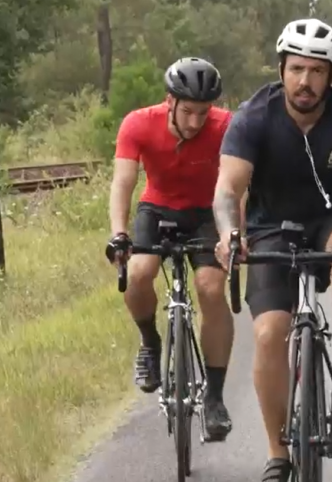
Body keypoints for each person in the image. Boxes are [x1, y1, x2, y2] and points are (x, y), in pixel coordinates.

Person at [212, 18, 332, 481]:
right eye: (296, 69)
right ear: (281, 70)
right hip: (272, 225)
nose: (305, 81)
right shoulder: (254, 115)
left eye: (317, 72)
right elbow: (226, 189)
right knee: (269, 334)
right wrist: (228, 234)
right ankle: (278, 452)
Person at [106, 57, 235, 442]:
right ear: (169, 101)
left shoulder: (227, 127)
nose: (196, 122)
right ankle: (150, 342)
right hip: (158, 208)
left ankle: (214, 396)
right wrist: (119, 234)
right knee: (139, 273)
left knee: (211, 288)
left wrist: (234, 233)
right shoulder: (138, 123)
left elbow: (237, 183)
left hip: (208, 212)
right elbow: (123, 182)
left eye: (204, 112)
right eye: (188, 111)